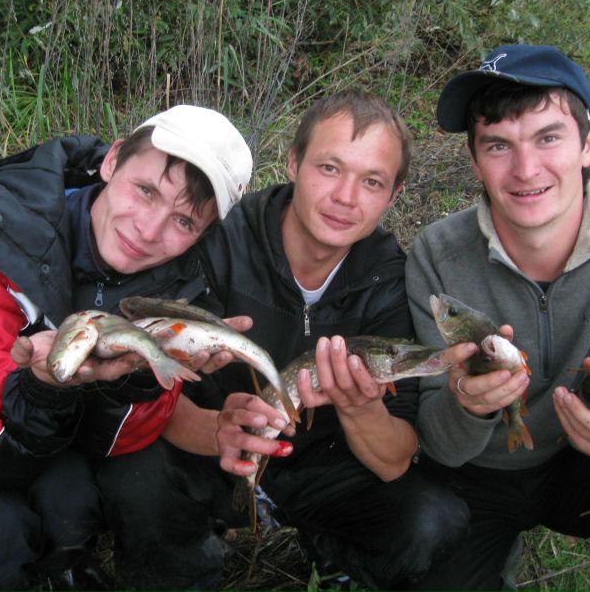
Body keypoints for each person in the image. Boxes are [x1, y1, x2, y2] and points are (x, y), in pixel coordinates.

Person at [93, 91, 473, 592]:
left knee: (434, 518)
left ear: (393, 195)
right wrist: (216, 430)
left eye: (372, 181)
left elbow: (396, 457)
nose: (346, 197)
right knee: (133, 476)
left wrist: (361, 408)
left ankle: (334, 556)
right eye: (330, 168)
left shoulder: (389, 278)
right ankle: (186, 568)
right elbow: (147, 382)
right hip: (208, 445)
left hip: (320, 461)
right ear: (293, 162)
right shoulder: (222, 238)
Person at [0, 105, 253, 592]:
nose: (149, 229)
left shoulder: (181, 287)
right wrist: (40, 388)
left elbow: (123, 436)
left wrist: (137, 377)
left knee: (76, 502)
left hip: (67, 442)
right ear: (112, 161)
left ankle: (68, 564)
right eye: (145, 191)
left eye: (183, 222)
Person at [405, 44, 590, 592]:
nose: (526, 169)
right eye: (499, 145)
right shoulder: (434, 256)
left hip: (584, 466)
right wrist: (466, 405)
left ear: (589, 142)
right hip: (474, 476)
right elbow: (436, 439)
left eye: (548, 137)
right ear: (474, 160)